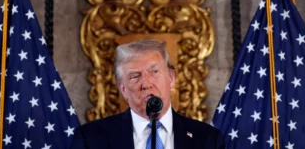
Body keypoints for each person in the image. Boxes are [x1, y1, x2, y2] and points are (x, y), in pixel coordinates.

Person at [70, 39, 225, 149]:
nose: (146, 84)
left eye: (154, 71)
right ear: (123, 89)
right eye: (135, 76)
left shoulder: (208, 139)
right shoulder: (90, 139)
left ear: (171, 78)